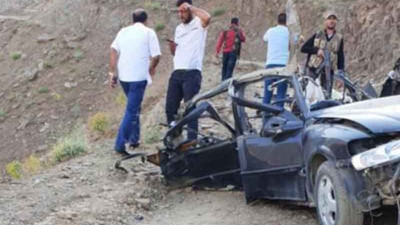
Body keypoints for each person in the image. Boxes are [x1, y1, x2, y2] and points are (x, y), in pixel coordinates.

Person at [109, 9, 161, 155]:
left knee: (135, 107)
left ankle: (134, 139)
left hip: (124, 78)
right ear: (146, 20)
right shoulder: (149, 32)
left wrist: (112, 73)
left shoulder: (123, 32)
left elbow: (113, 51)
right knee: (132, 111)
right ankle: (120, 143)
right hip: (138, 78)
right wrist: (152, 68)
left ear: (133, 20)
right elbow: (156, 56)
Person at [165, 0, 211, 140]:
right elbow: (176, 53)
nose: (181, 14)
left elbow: (207, 17)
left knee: (190, 110)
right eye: (179, 11)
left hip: (192, 73)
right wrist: (173, 48)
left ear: (190, 10)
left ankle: (192, 141)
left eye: (183, 11)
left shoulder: (199, 23)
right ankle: (175, 139)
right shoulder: (179, 29)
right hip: (177, 71)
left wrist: (190, 7)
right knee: (170, 109)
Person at [301, 10, 344, 98]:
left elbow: (340, 57)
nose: (331, 21)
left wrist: (341, 75)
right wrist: (317, 51)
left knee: (326, 95)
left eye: (333, 19)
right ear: (325, 21)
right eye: (329, 18)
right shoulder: (318, 35)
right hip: (313, 69)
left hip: (328, 72)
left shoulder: (339, 38)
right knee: (307, 93)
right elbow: (304, 48)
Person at [262, 13, 290, 107]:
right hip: (283, 66)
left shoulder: (270, 31)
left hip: (270, 64)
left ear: (277, 21)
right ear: (287, 22)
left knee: (267, 93)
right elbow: (298, 40)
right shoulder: (289, 31)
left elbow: (264, 39)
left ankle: (265, 116)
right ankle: (279, 117)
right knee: (281, 94)